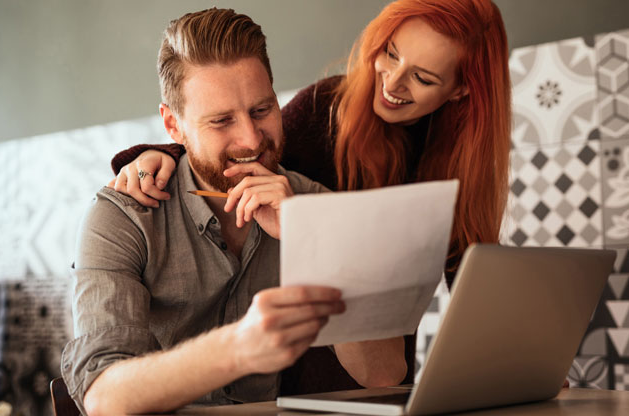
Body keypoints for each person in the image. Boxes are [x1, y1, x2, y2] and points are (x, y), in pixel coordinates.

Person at [109, 0, 510, 396]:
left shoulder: (463, 161)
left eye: (422, 78)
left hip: (381, 365)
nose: (391, 82)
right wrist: (157, 155)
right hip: (301, 372)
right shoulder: (324, 111)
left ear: (461, 90)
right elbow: (245, 153)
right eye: (390, 53)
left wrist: (514, 356)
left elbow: (472, 281)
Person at [62, 8, 406, 415]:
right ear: (173, 126)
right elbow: (104, 399)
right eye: (222, 120)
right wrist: (240, 347)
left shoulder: (312, 204)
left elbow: (383, 373)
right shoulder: (123, 216)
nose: (251, 138)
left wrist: (310, 239)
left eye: (262, 110)